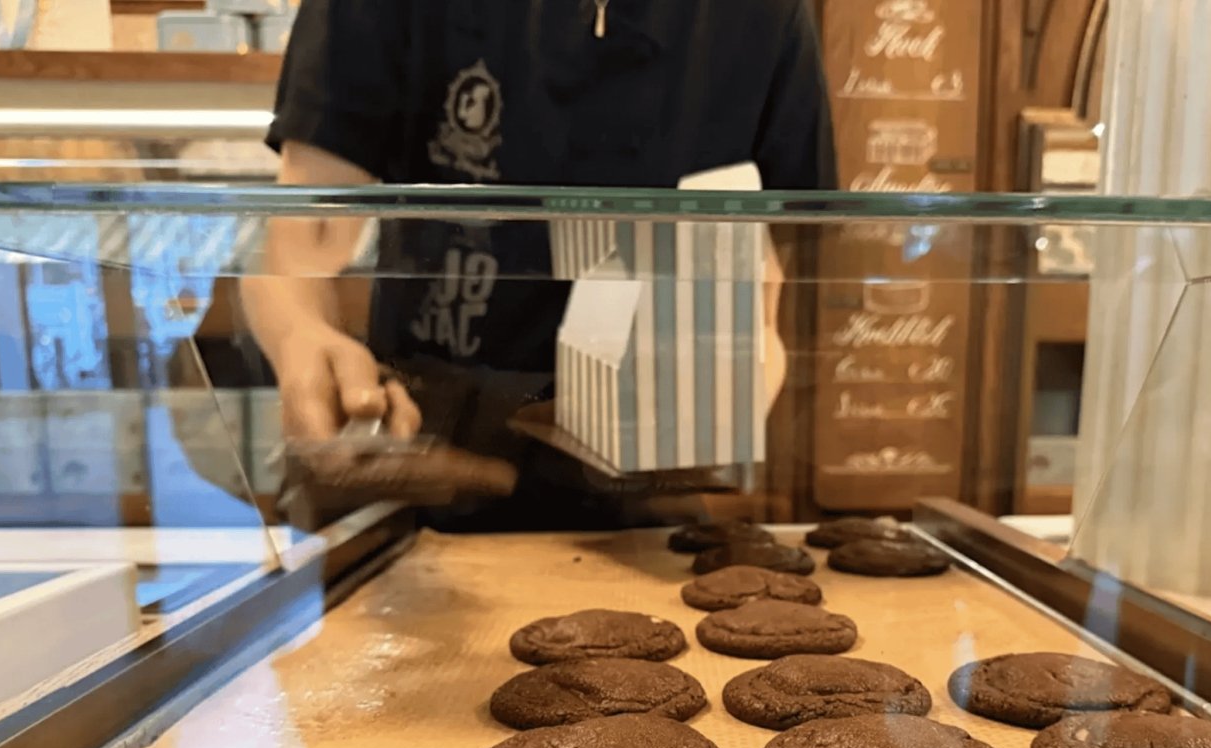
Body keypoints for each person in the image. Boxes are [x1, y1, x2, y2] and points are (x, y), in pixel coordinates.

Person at [242, 0, 836, 530]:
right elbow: (302, 239)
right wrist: (303, 338)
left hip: (652, 485)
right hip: (422, 455)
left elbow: (771, 279)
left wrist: (734, 386)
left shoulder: (767, 14)